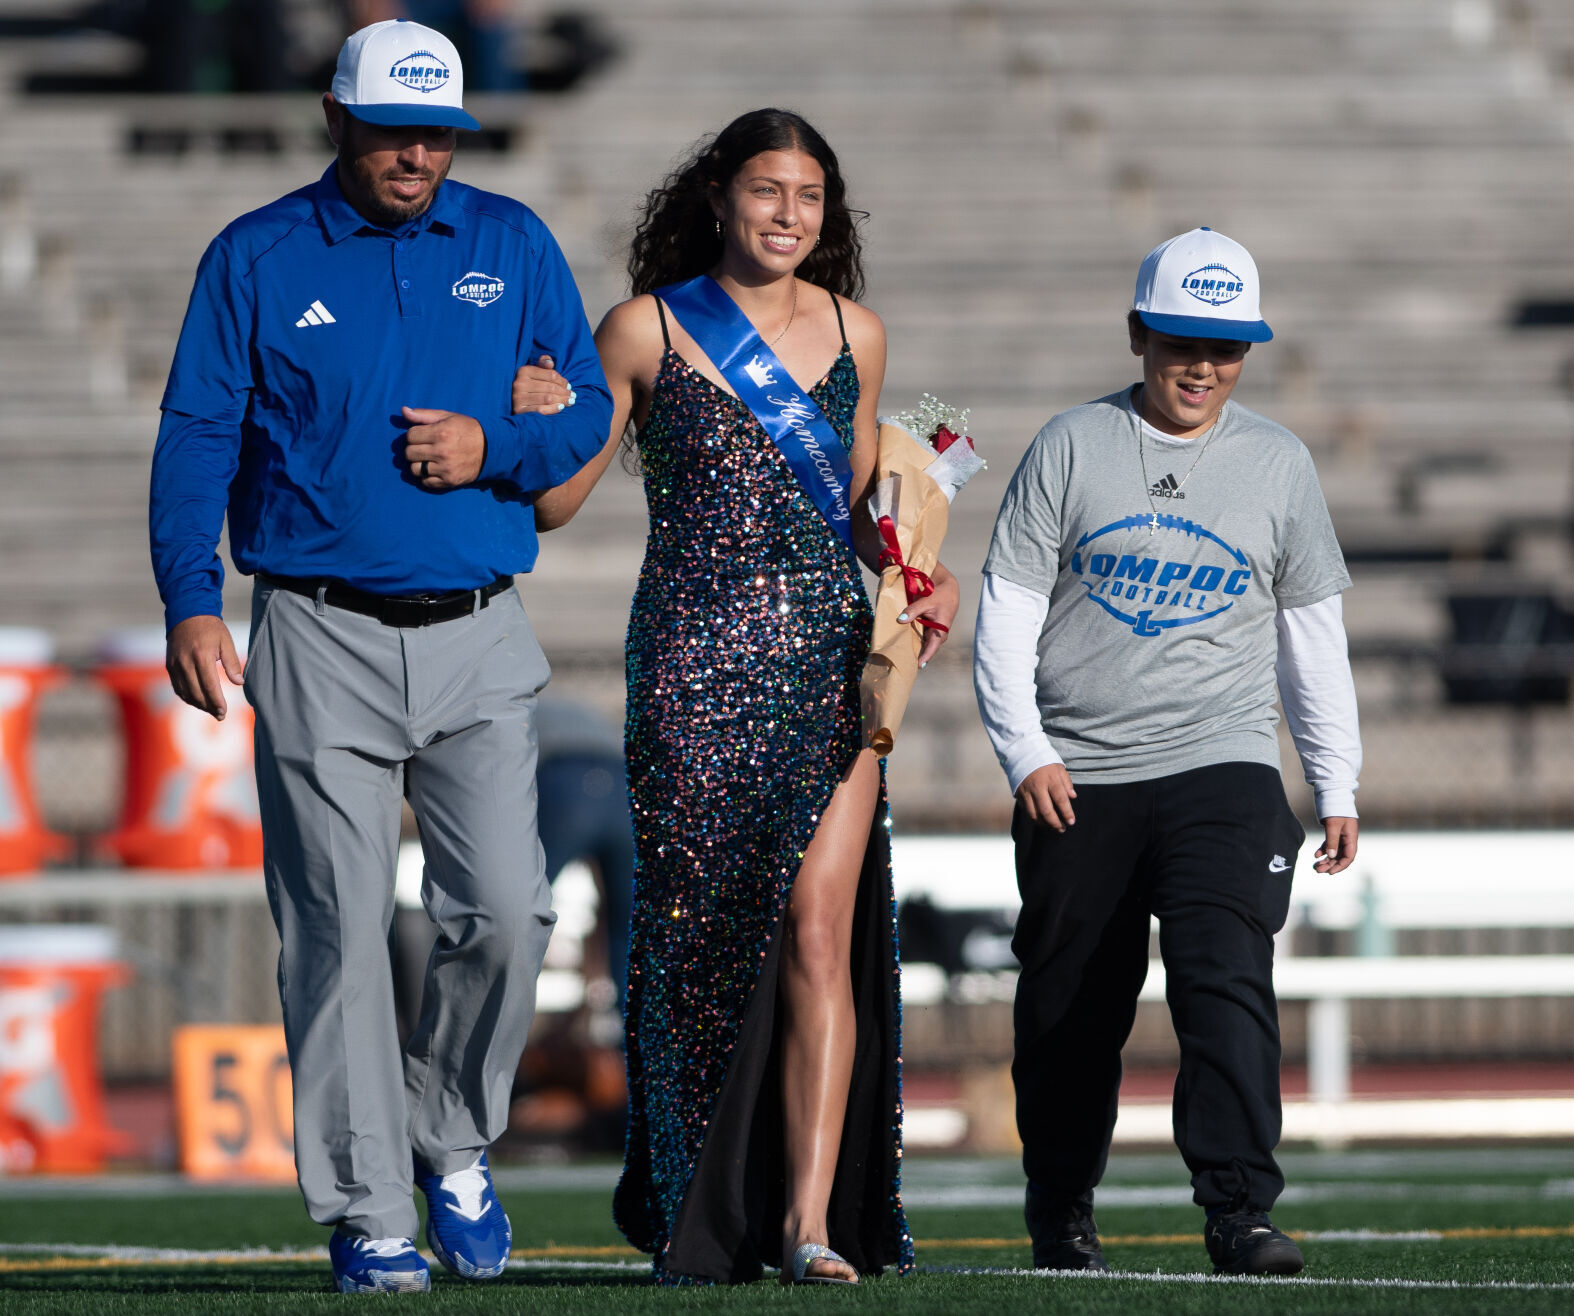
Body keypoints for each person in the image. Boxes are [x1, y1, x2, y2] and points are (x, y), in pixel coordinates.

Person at [148, 19, 612, 1294]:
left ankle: (450, 1138)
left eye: (440, 134)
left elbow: (583, 403)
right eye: (395, 129)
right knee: (338, 935)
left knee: (510, 908)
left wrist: (495, 449)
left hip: (477, 626)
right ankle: (367, 1209)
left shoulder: (510, 241)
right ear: (337, 120)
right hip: (311, 626)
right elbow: (195, 432)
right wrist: (192, 599)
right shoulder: (254, 253)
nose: (418, 154)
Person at [513, 108, 958, 1285]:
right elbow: (554, 503)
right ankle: (695, 1204)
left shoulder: (858, 331)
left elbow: (860, 512)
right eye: (767, 191)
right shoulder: (644, 329)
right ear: (717, 195)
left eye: (809, 197)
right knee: (697, 943)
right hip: (691, 674)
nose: (787, 216)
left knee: (821, 931)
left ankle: (808, 1221)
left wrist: (917, 560)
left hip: (827, 670)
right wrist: (536, 413)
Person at [973, 227, 1361, 1277]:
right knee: (1067, 1004)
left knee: (1223, 976)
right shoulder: (1068, 444)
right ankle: (1058, 1201)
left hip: (1222, 764)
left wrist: (1335, 778)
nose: (1201, 366)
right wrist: (1025, 753)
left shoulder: (1277, 462)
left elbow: (1307, 631)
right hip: (1078, 774)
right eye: (1181, 340)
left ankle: (1237, 1207)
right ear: (1139, 333)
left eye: (1225, 346)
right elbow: (1004, 613)